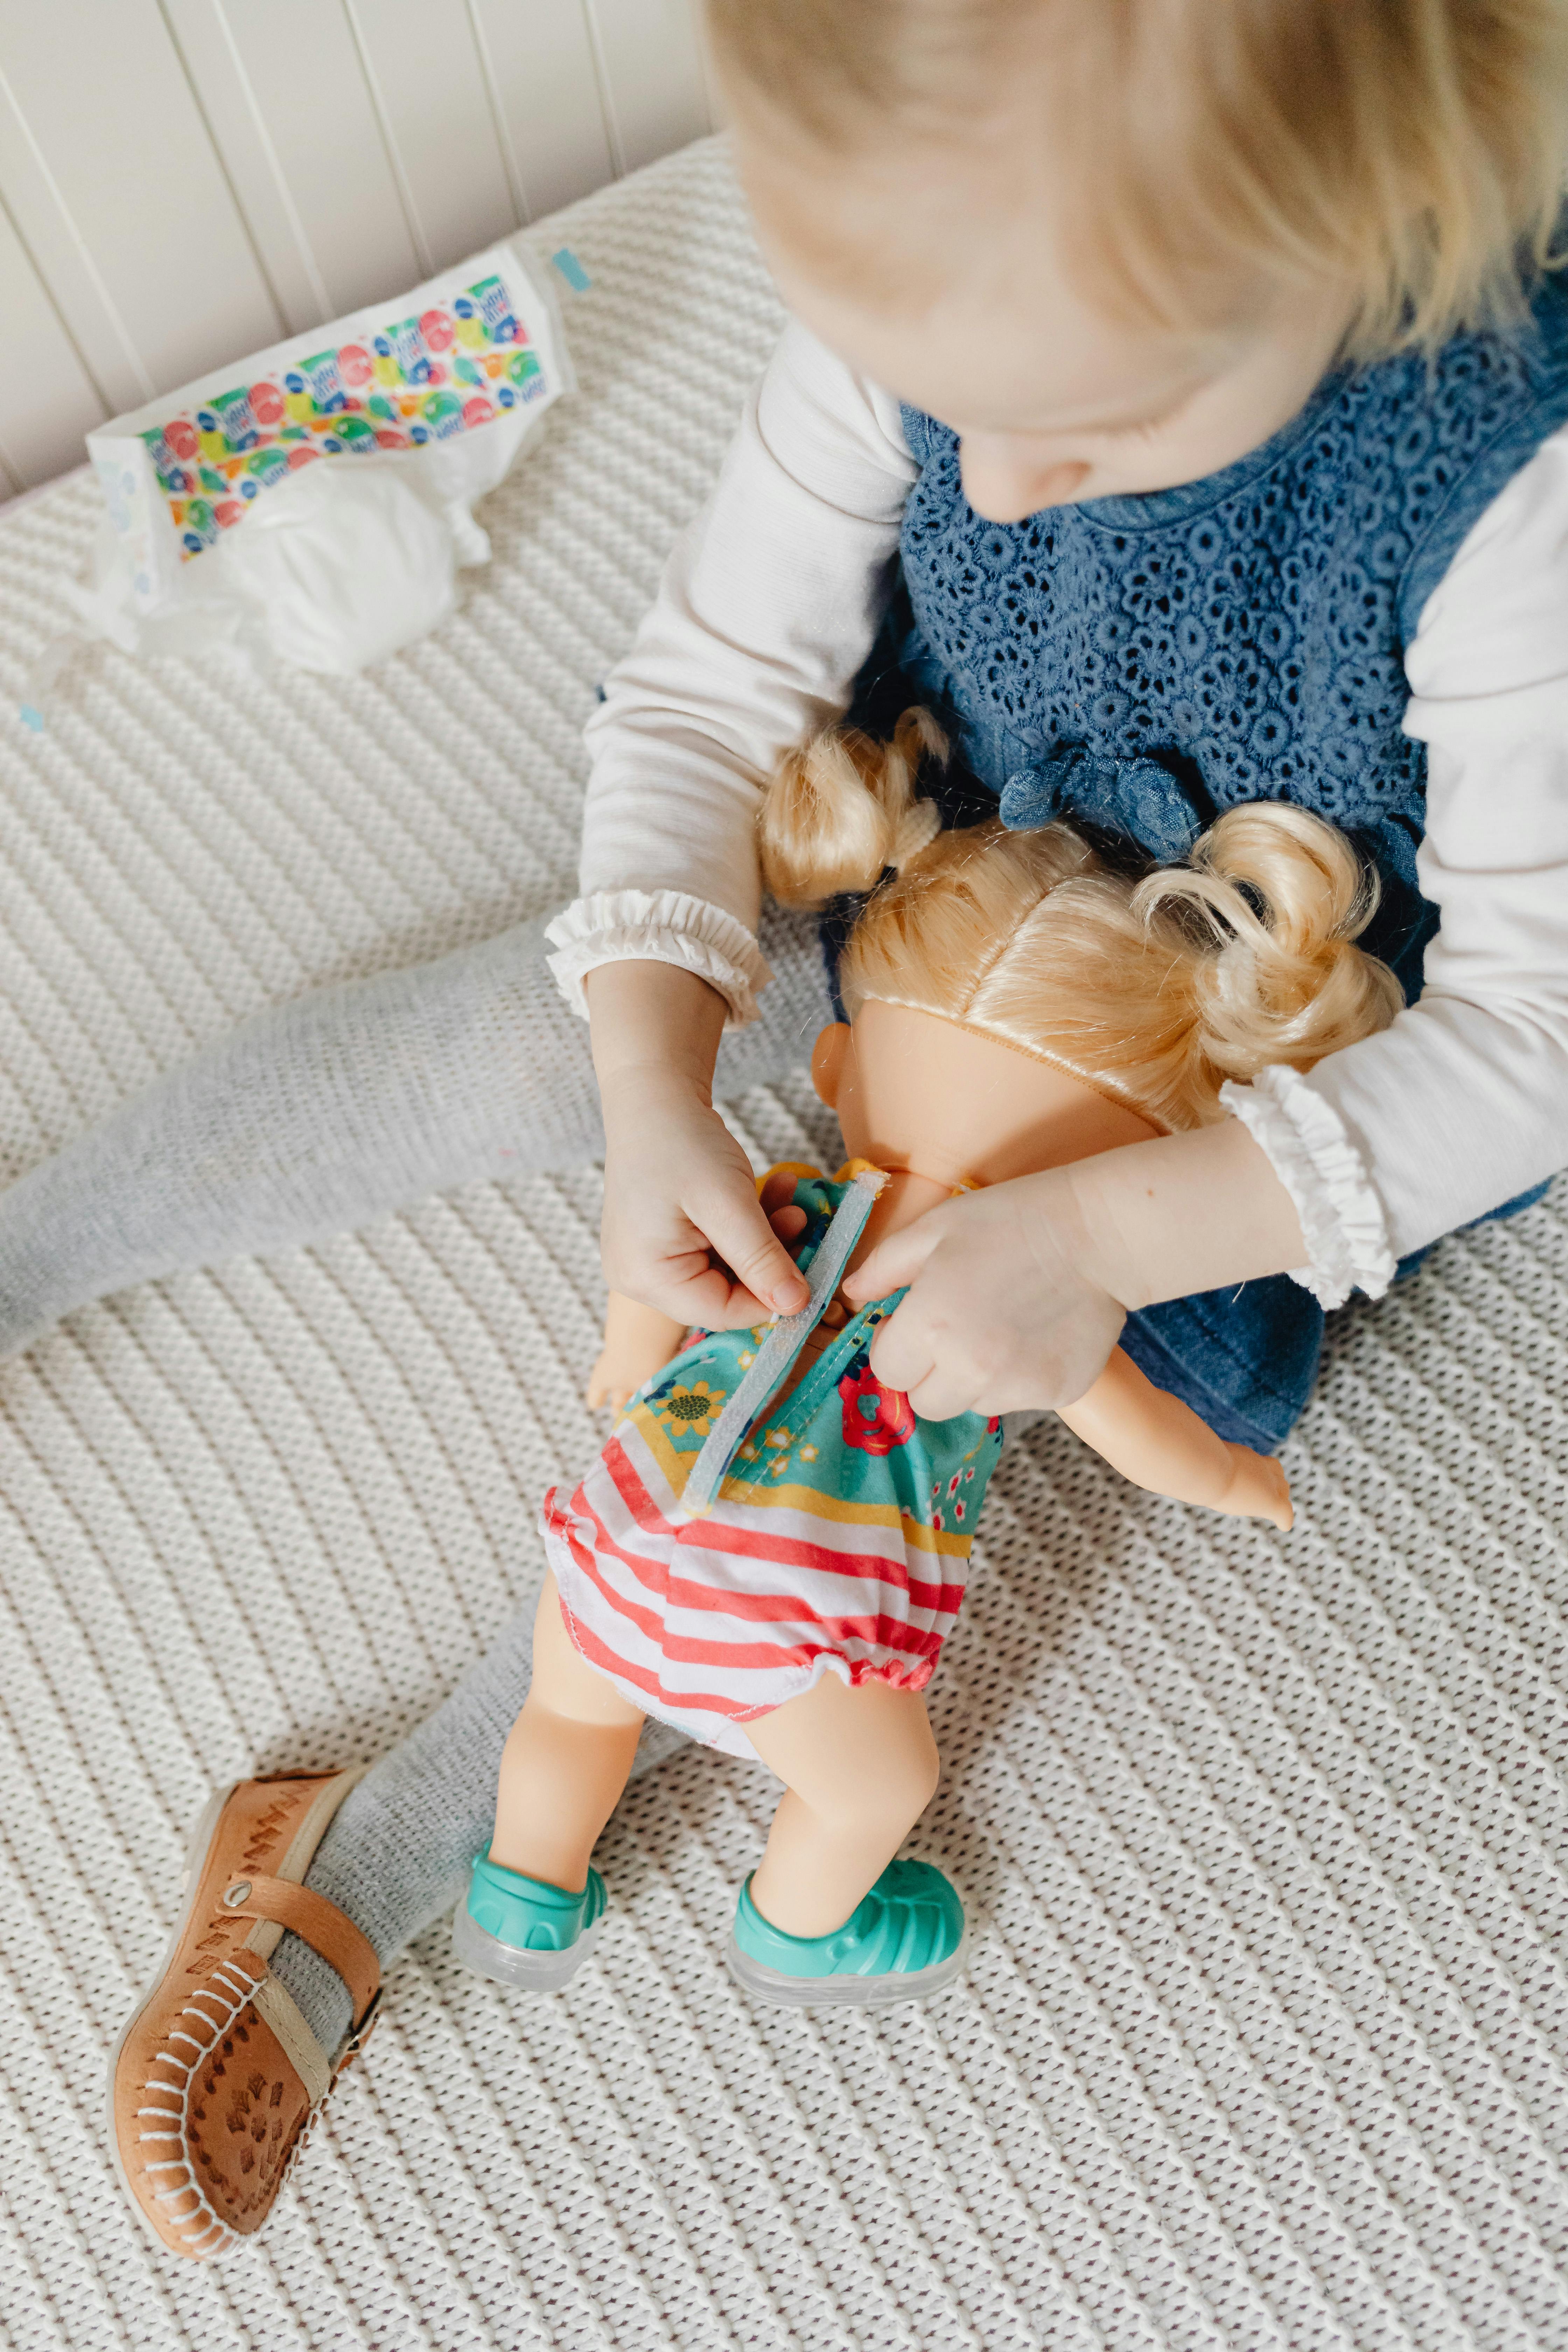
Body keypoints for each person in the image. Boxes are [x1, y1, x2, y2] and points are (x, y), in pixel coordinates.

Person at [106, 0, 1568, 2256]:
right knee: (535, 1039)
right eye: (936, 399)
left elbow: (1534, 1040)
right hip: (921, 861)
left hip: (1219, 1053)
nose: (980, 490)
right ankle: (48, 1240)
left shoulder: (1506, 469)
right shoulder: (946, 245)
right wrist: (643, 1085)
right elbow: (703, 694)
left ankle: (382, 1863)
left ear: (1366, 236)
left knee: (802, 1512)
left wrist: (1109, 1251)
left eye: (1081, 425)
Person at [454, 719, 1400, 2016]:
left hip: (622, 1545)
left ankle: (526, 1889)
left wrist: (628, 1359)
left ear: (834, 1063)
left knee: (569, 1720)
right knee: (877, 1789)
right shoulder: (1034, 1305)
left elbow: (656, 1269)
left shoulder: (781, 1195)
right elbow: (1139, 1435)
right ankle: (795, 1932)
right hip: (795, 1643)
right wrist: (1232, 1481)